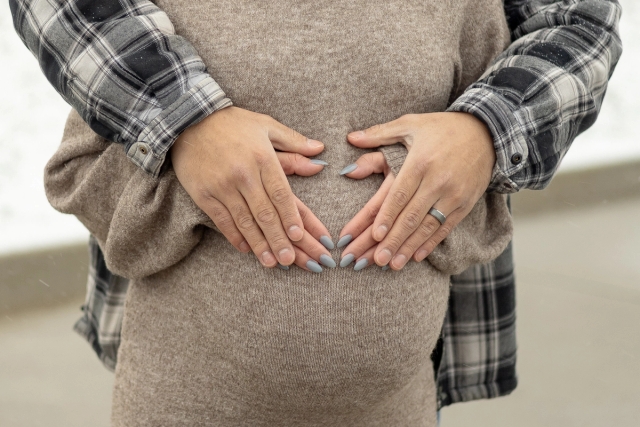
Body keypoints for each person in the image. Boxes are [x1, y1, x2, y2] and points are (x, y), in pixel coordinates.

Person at [11, 0, 622, 415]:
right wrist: (181, 119)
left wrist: (488, 131)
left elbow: (580, 22)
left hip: (399, 401)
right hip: (181, 394)